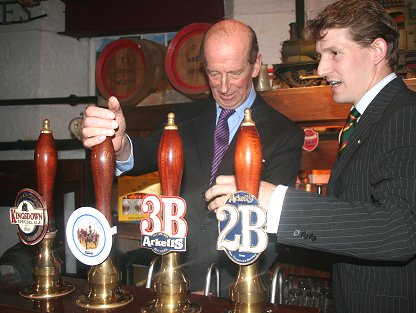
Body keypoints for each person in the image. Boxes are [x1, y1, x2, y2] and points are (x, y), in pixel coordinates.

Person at [206, 1, 416, 312]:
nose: (321, 69)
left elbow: (402, 229)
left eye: (335, 53)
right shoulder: (368, 117)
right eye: (321, 56)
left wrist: (275, 201)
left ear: (377, 51)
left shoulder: (406, 115)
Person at [82, 19, 304, 296]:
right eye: (214, 73)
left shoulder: (284, 134)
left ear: (256, 64)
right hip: (175, 279)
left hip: (237, 288)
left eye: (234, 73)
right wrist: (120, 146)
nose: (224, 87)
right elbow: (147, 152)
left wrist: (218, 289)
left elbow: (270, 232)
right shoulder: (182, 119)